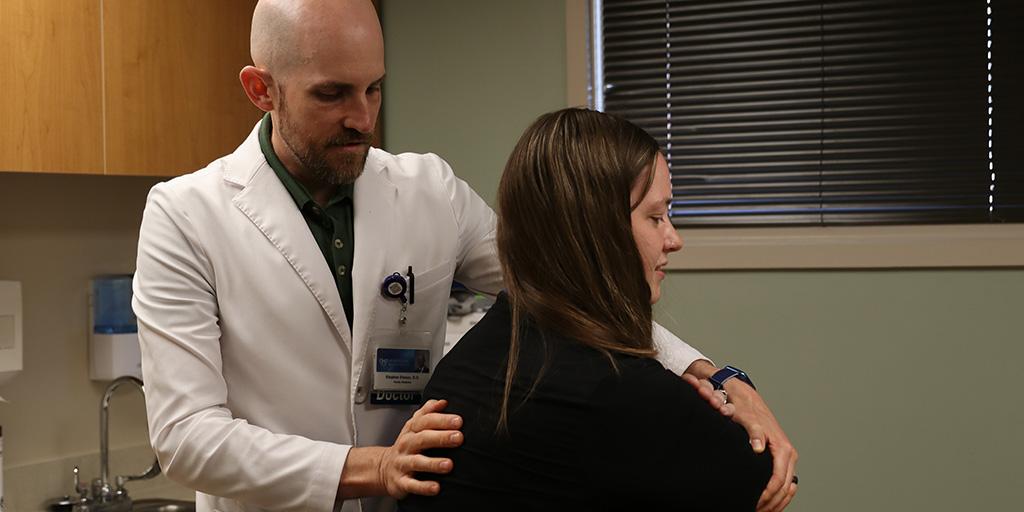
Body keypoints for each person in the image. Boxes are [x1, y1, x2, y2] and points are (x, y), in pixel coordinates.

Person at [131, 1, 796, 511]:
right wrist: (369, 465)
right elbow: (188, 437)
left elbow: (563, 282)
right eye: (332, 94)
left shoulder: (429, 190)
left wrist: (716, 375)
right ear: (262, 89)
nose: (363, 117)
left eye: (375, 89)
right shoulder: (187, 215)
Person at [401, 108, 780, 511]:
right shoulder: (617, 391)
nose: (673, 239)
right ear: (599, 231)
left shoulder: (464, 365)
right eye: (655, 217)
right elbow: (767, 479)